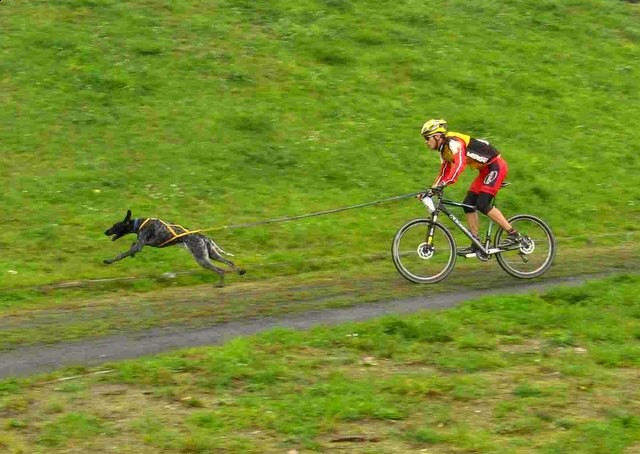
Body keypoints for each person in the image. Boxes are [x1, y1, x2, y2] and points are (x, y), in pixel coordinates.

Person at [419, 118, 523, 255]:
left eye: (427, 138)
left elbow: (459, 165)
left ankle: (514, 235)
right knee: (467, 204)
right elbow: (443, 173)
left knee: (482, 204)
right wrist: (431, 190)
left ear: (437, 136)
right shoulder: (443, 151)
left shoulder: (453, 142)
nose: (426, 142)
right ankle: (476, 243)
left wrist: (445, 183)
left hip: (495, 167)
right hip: (484, 171)